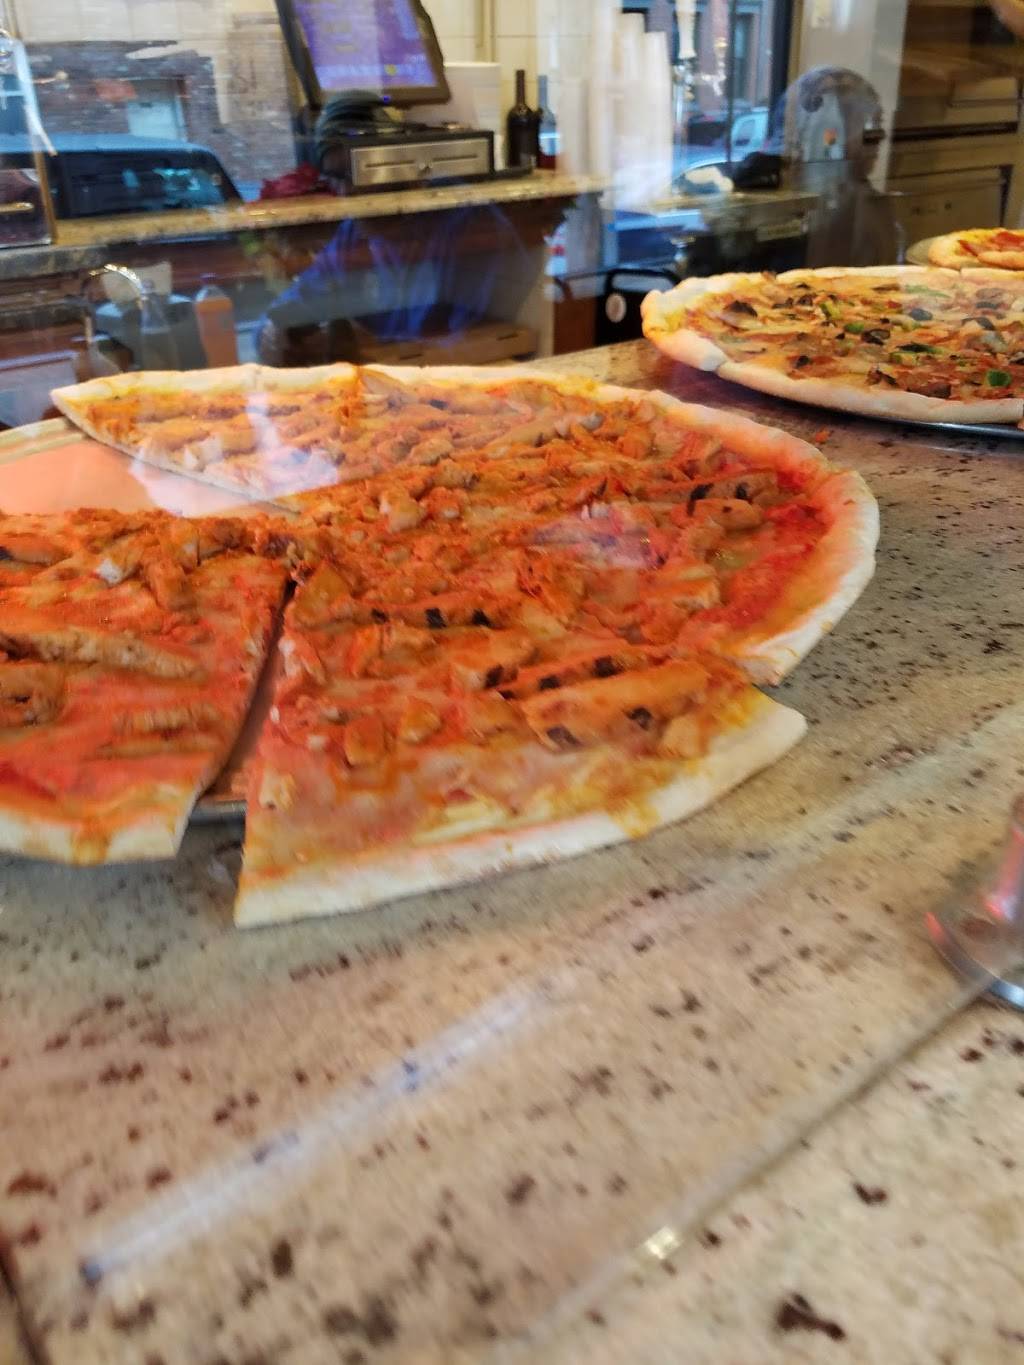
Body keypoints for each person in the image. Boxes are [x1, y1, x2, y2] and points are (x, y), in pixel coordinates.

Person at [768, 66, 899, 268]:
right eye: (867, 125)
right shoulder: (790, 216)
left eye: (877, 123)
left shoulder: (873, 207)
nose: (880, 136)